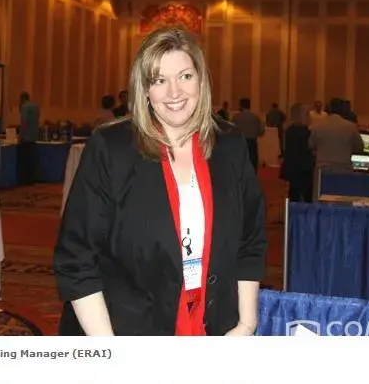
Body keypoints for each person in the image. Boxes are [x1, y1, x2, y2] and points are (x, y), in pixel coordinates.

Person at [54, 27, 266, 336]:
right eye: (159, 80)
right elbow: (76, 257)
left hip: (215, 328)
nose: (174, 93)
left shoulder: (229, 144)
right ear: (144, 90)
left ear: (201, 80)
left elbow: (251, 239)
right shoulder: (111, 148)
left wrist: (246, 323)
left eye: (185, 76)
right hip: (124, 330)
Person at [280, 103, 314, 202]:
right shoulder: (307, 131)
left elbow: (285, 149)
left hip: (293, 166)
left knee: (294, 196)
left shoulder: (289, 130)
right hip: (305, 167)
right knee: (307, 197)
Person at [232, 98, 265, 172]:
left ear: (240, 106)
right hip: (252, 141)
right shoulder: (255, 117)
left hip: (239, 142)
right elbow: (261, 131)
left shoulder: (236, 117)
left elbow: (232, 130)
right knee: (252, 161)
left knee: (240, 162)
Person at [18, 91, 40, 186]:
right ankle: (32, 179)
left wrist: (21, 136)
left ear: (22, 99)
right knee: (32, 161)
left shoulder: (24, 107)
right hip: (34, 137)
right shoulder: (36, 107)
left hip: (26, 138)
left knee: (24, 161)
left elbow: (24, 123)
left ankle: (24, 180)